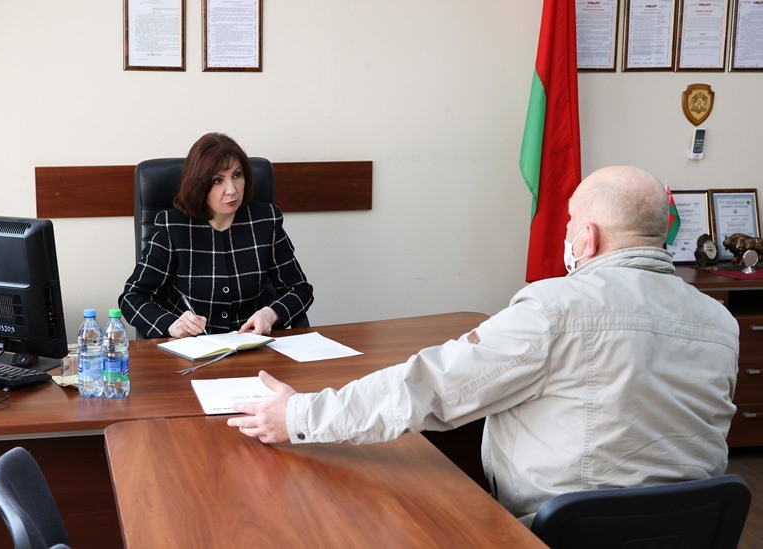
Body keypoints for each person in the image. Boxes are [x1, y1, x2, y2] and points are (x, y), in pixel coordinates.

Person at [226, 165, 739, 525]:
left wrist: (299, 415)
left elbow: (428, 388)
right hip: (695, 529)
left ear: (587, 238)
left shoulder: (555, 309)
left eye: (567, 224)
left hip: (561, 532)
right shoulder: (720, 321)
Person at [119, 132, 313, 338]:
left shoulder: (265, 220)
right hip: (193, 348)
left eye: (237, 175)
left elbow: (300, 289)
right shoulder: (173, 226)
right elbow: (132, 297)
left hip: (253, 344)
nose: (232, 190)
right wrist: (172, 325)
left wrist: (271, 314)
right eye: (218, 180)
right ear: (199, 184)